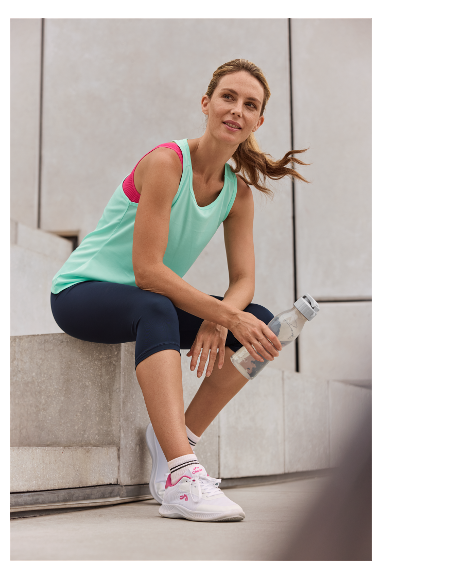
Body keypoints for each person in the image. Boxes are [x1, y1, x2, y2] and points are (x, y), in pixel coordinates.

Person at [50, 59, 308, 522]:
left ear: (258, 121)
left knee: (264, 324)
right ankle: (181, 474)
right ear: (206, 104)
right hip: (82, 293)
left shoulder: (237, 193)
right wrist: (224, 314)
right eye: (228, 97)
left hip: (149, 300)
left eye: (250, 105)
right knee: (157, 307)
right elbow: (148, 271)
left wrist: (218, 317)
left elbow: (244, 280)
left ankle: (179, 436)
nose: (237, 110)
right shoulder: (167, 162)